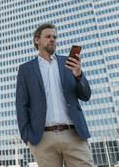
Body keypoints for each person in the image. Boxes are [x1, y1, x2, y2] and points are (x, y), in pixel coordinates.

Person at [16, 23, 95, 167]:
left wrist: (78, 75)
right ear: (37, 40)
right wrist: (26, 136)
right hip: (43, 138)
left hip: (74, 134)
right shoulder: (25, 70)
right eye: (48, 36)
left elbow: (86, 95)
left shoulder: (68, 63)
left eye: (54, 37)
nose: (52, 39)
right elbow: (21, 105)